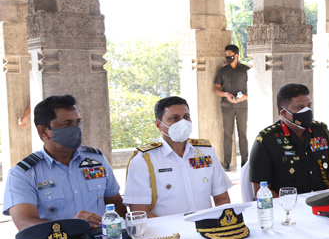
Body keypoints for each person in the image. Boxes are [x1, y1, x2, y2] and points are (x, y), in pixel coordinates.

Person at [3, 95, 125, 231]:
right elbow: (24, 223)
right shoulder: (23, 174)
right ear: (43, 132)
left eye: (77, 123)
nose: (76, 129)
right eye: (67, 124)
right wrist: (71, 226)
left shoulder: (96, 160)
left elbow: (116, 203)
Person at [123, 96, 232, 217]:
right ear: (158, 125)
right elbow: (139, 213)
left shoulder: (206, 152)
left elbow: (222, 199)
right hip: (167, 234)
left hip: (206, 230)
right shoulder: (144, 159)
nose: (182, 123)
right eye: (174, 118)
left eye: (186, 117)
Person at [249, 83, 329, 197]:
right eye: (300, 108)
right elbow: (261, 191)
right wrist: (291, 206)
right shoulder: (266, 141)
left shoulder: (321, 132)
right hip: (288, 209)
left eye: (309, 106)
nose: (307, 111)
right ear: (284, 113)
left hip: (323, 205)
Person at [214, 44, 250, 171]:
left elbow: (254, 87)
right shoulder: (223, 71)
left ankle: (245, 162)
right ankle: (227, 162)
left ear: (236, 55)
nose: (227, 57)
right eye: (226, 55)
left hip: (242, 106)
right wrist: (226, 94)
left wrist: (245, 97)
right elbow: (216, 90)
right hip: (226, 106)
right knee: (227, 134)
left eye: (229, 55)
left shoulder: (246, 70)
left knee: (243, 134)